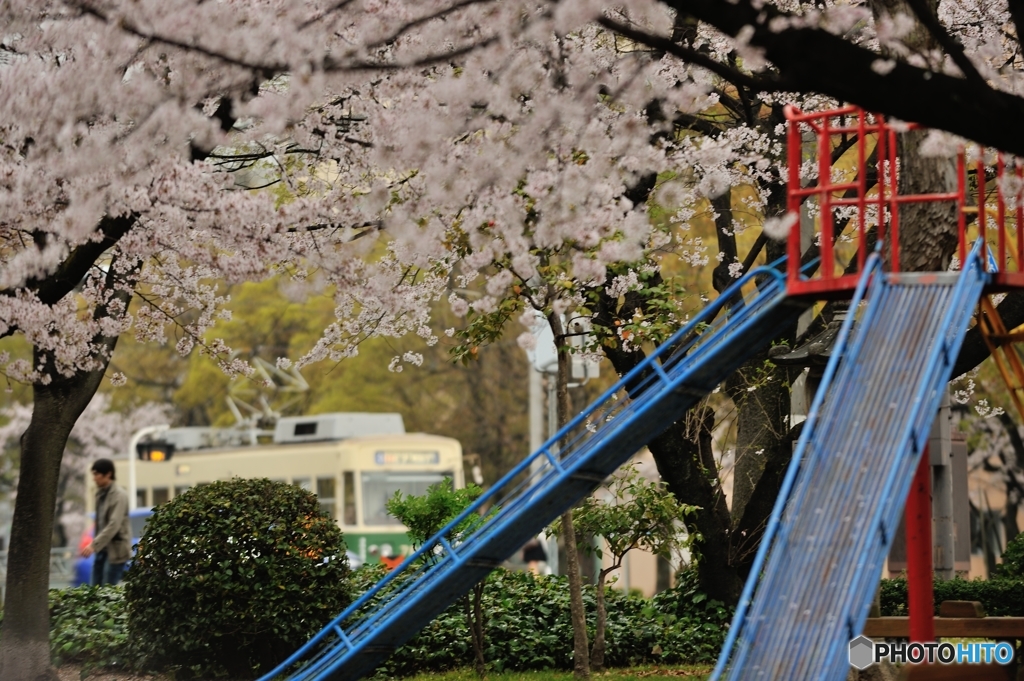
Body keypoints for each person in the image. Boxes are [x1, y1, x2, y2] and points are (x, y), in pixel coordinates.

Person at [80, 458, 131, 585]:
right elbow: (100, 523)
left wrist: (93, 545)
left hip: (116, 550)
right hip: (101, 549)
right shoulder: (100, 494)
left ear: (108, 474)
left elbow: (114, 524)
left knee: (108, 591)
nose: (94, 478)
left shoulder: (119, 495)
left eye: (96, 474)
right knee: (94, 589)